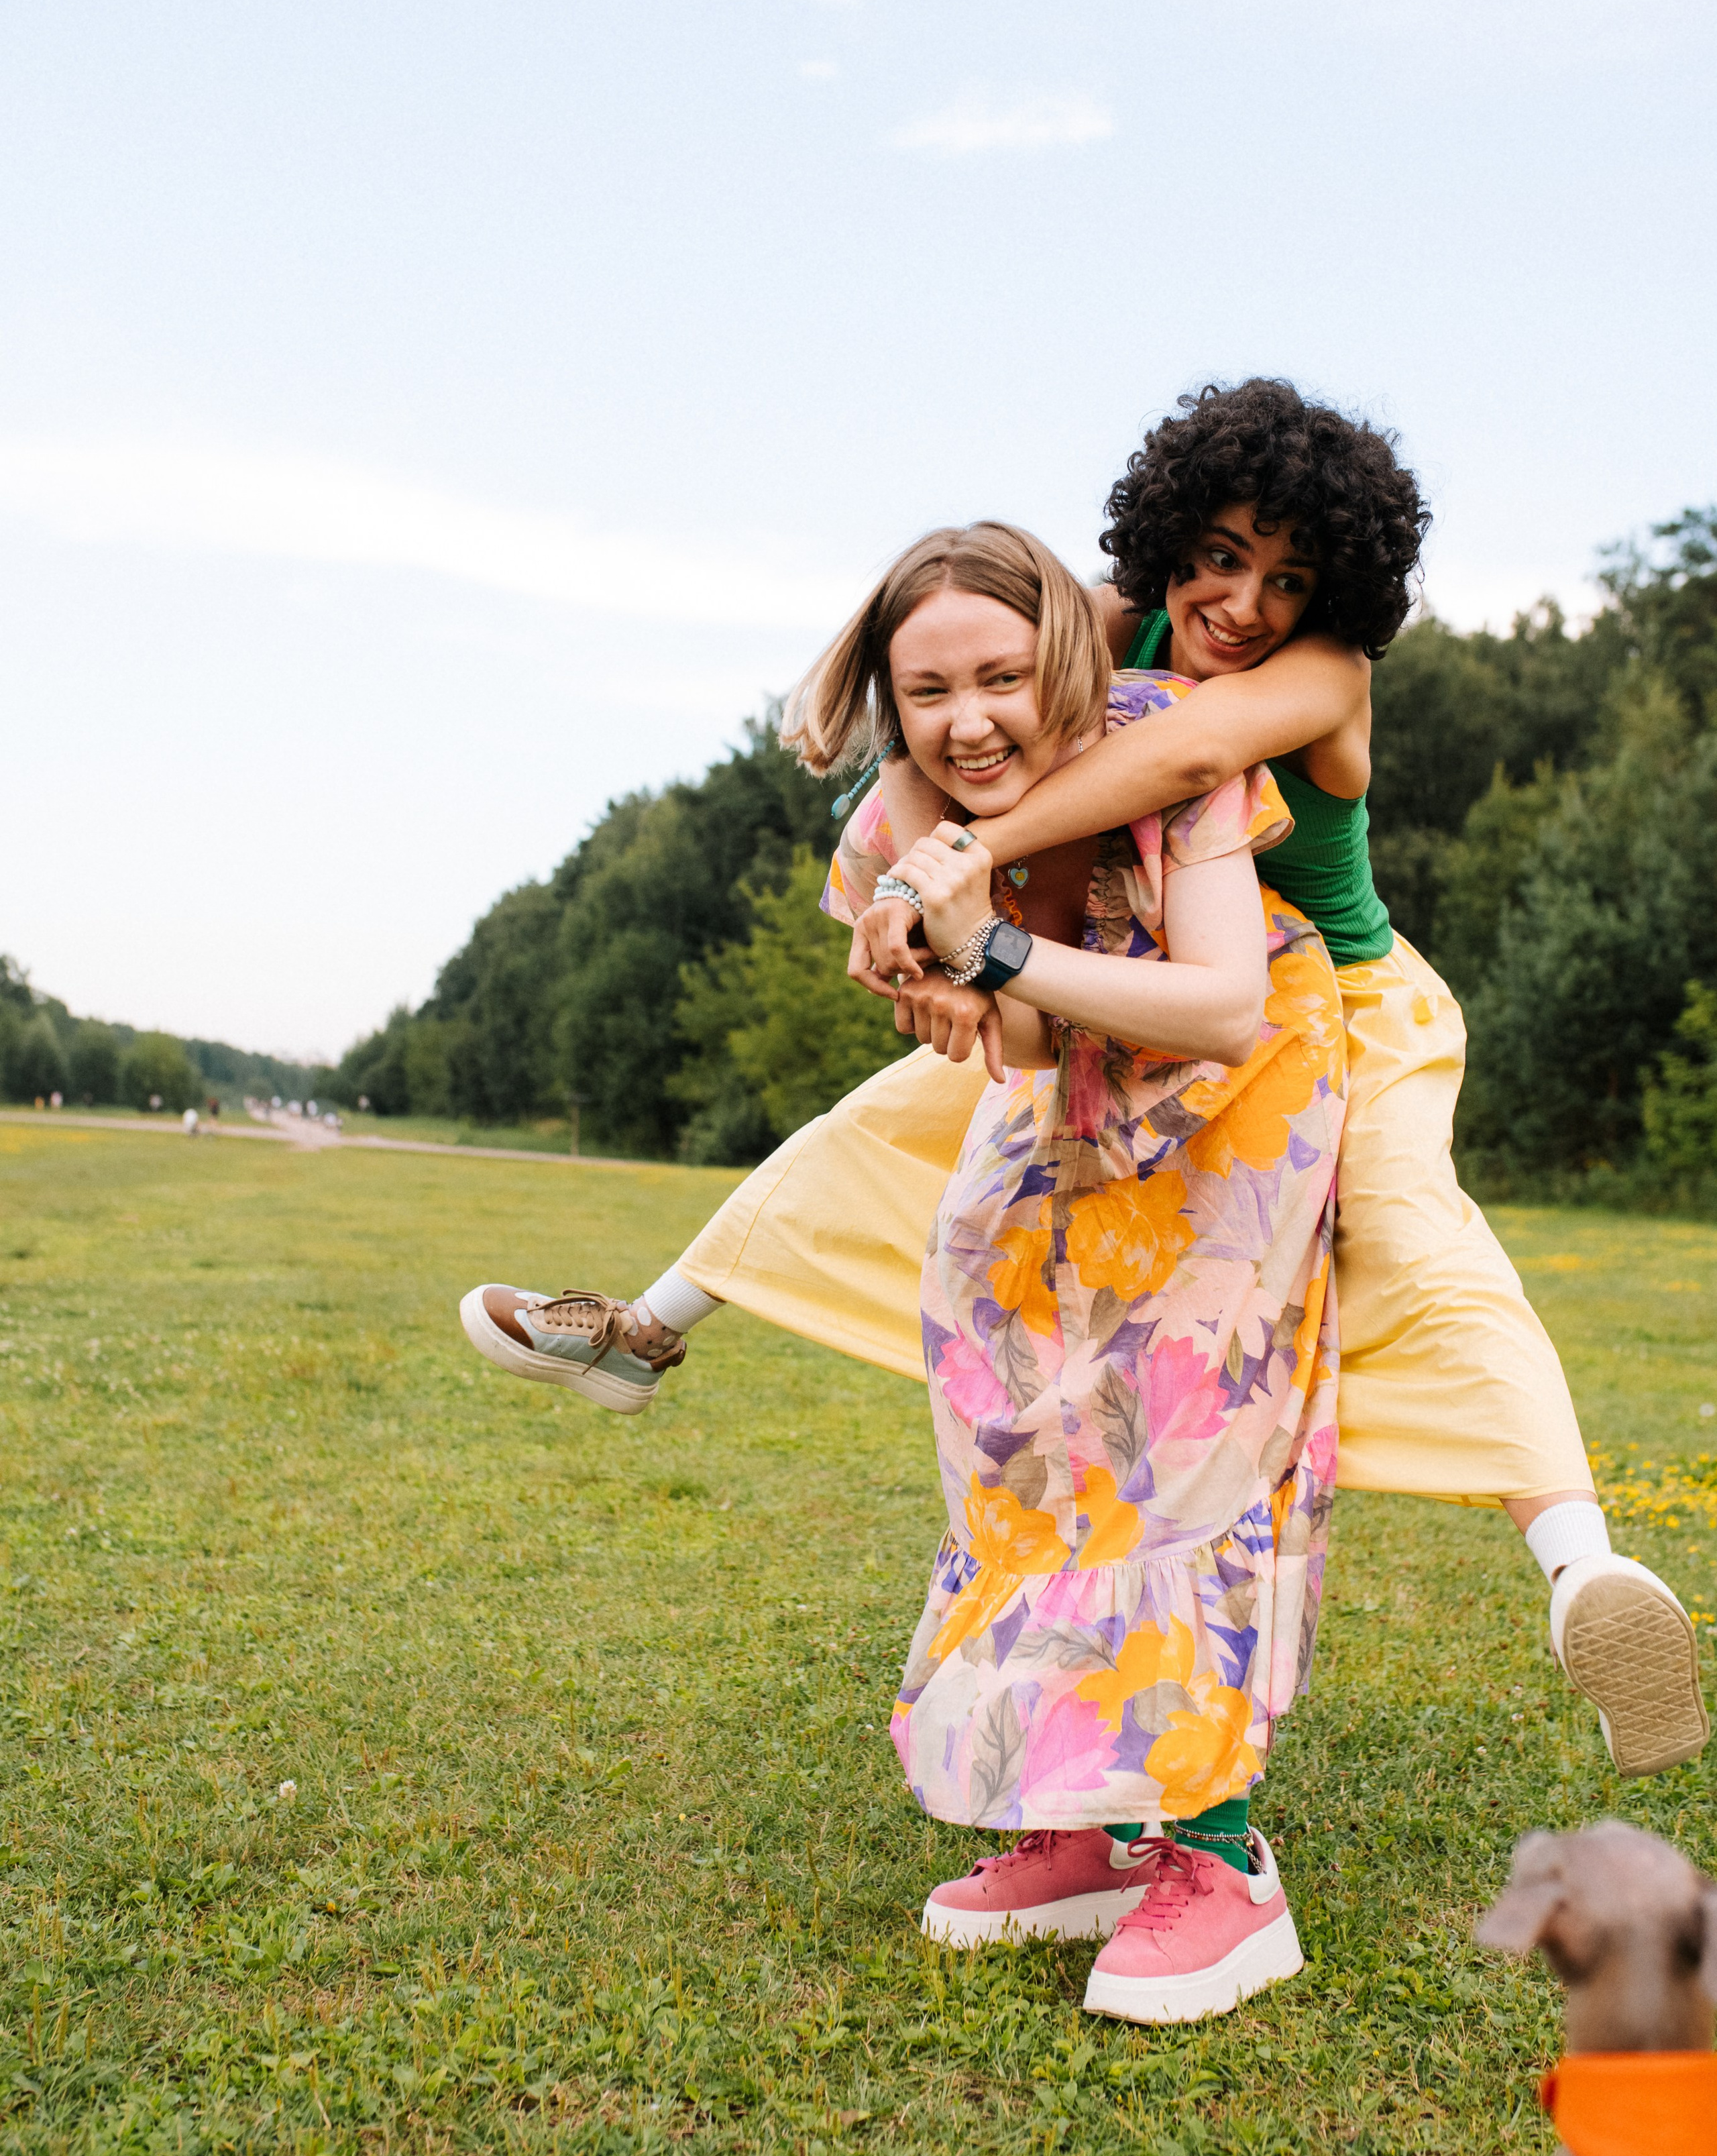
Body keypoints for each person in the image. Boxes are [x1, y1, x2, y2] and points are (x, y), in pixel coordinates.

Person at [459, 380, 1708, 1783]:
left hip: (1346, 1003)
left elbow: (1175, 752)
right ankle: (644, 1331)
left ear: (1339, 587)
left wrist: (959, 881)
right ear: (1167, 535)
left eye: (1287, 577)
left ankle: (1582, 1575)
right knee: (869, 1129)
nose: (1240, 601)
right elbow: (944, 727)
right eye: (1219, 556)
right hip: (1119, 976)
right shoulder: (1114, 622)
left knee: (1411, 1231)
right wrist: (926, 917)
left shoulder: (1327, 674)